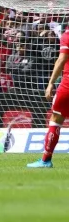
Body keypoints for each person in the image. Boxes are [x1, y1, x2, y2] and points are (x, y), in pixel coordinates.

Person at [27, 25, 69, 168]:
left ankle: (45, 160)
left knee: (56, 120)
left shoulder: (67, 36)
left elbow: (62, 58)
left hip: (67, 86)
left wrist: (51, 82)